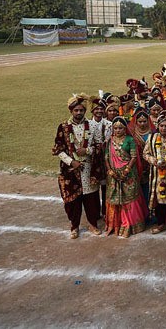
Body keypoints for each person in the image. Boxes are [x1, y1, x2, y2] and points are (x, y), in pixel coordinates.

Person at [52, 94, 102, 239]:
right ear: (71, 111)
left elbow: (99, 145)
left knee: (91, 198)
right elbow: (58, 149)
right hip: (71, 170)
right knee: (73, 201)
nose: (79, 113)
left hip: (88, 169)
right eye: (76, 110)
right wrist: (71, 162)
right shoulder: (63, 127)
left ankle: (93, 224)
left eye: (81, 110)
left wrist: (87, 150)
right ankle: (74, 226)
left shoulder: (92, 126)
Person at [104, 117, 147, 238]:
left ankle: (129, 225)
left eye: (120, 128)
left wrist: (126, 170)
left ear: (125, 129)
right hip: (113, 175)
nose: (118, 130)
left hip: (128, 174)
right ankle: (115, 225)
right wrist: (110, 170)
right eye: (115, 128)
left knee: (129, 198)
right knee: (115, 198)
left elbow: (134, 157)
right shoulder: (110, 141)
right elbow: (106, 157)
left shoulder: (130, 140)